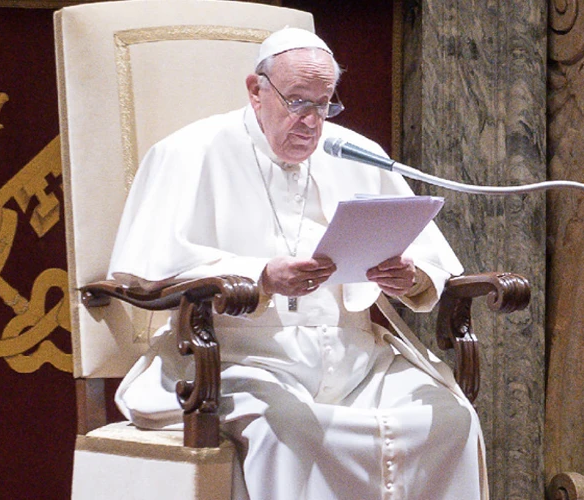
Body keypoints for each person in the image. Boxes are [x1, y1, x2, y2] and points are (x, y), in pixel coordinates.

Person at [107, 27, 485, 500]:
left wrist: (411, 277)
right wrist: (261, 276)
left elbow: (431, 258)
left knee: (451, 420)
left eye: (324, 104)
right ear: (255, 91)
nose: (311, 120)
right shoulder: (189, 152)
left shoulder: (355, 153)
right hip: (242, 359)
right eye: (297, 101)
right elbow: (150, 269)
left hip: (358, 361)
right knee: (290, 428)